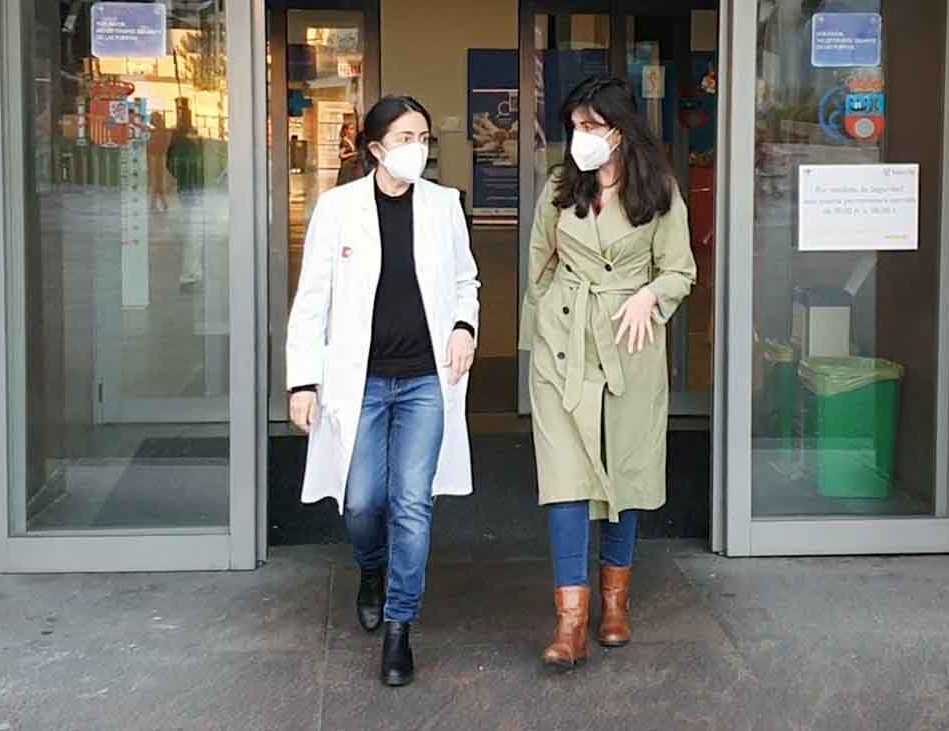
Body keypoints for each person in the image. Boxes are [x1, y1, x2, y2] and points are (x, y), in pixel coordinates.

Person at [286, 95, 480, 687]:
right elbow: (312, 298)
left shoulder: (444, 205)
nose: (415, 148)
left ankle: (399, 626)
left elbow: (466, 278)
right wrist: (303, 381)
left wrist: (464, 326)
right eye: (403, 138)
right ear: (374, 148)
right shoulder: (338, 208)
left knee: (413, 503)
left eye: (423, 137)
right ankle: (370, 568)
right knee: (364, 501)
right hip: (361, 383)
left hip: (425, 379)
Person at [518, 77, 696, 669]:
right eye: (574, 127)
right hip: (562, 349)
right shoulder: (559, 187)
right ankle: (570, 622)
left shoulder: (660, 190)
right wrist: (534, 342)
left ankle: (615, 605)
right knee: (565, 482)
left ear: (619, 131)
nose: (580, 138)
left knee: (626, 475)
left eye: (591, 127)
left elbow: (681, 270)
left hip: (629, 346)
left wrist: (649, 295)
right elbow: (538, 269)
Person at [166, 115, 204, 290]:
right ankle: (190, 275)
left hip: (184, 193)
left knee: (191, 234)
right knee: (194, 235)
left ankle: (191, 274)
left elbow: (171, 168)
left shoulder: (174, 147)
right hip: (194, 194)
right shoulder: (190, 147)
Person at [335, 113, 364, 186]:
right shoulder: (345, 142)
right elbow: (341, 155)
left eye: (353, 129)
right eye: (351, 129)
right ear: (345, 130)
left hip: (349, 167)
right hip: (346, 167)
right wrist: (354, 154)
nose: (353, 131)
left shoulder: (350, 141)